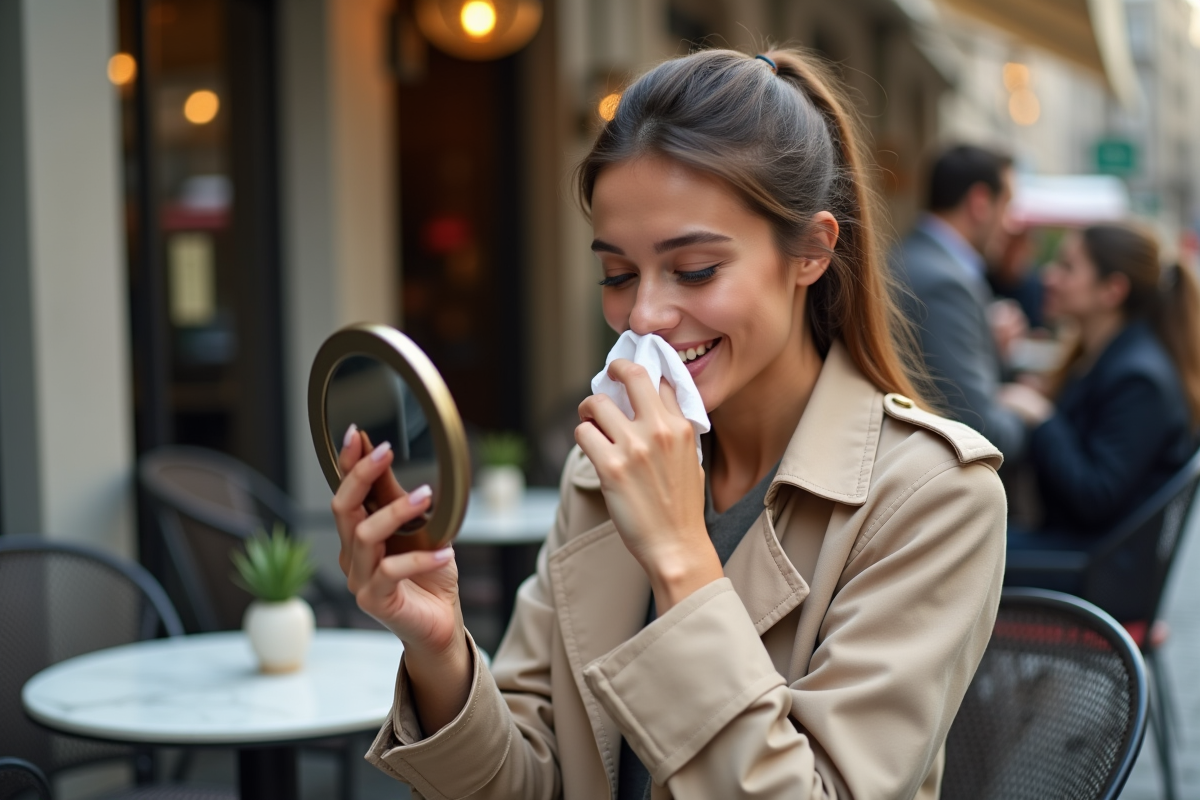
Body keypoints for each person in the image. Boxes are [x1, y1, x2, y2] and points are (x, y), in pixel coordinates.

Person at [333, 49, 1007, 799]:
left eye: (694, 270)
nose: (645, 315)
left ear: (812, 251)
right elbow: (533, 779)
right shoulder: (602, 468)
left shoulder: (933, 498)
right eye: (617, 275)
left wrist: (682, 559)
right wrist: (439, 653)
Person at [1000, 224, 1200, 584]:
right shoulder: (1105, 357)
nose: (1050, 275)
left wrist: (1043, 417)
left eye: (1068, 267)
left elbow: (1095, 496)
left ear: (1112, 290)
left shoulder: (1140, 379)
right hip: (1081, 554)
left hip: (1096, 572)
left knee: (961, 554)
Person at [893, 145, 1028, 461]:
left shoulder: (915, 258)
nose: (1011, 225)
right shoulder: (946, 284)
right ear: (980, 203)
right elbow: (980, 431)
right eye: (1007, 206)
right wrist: (1029, 409)